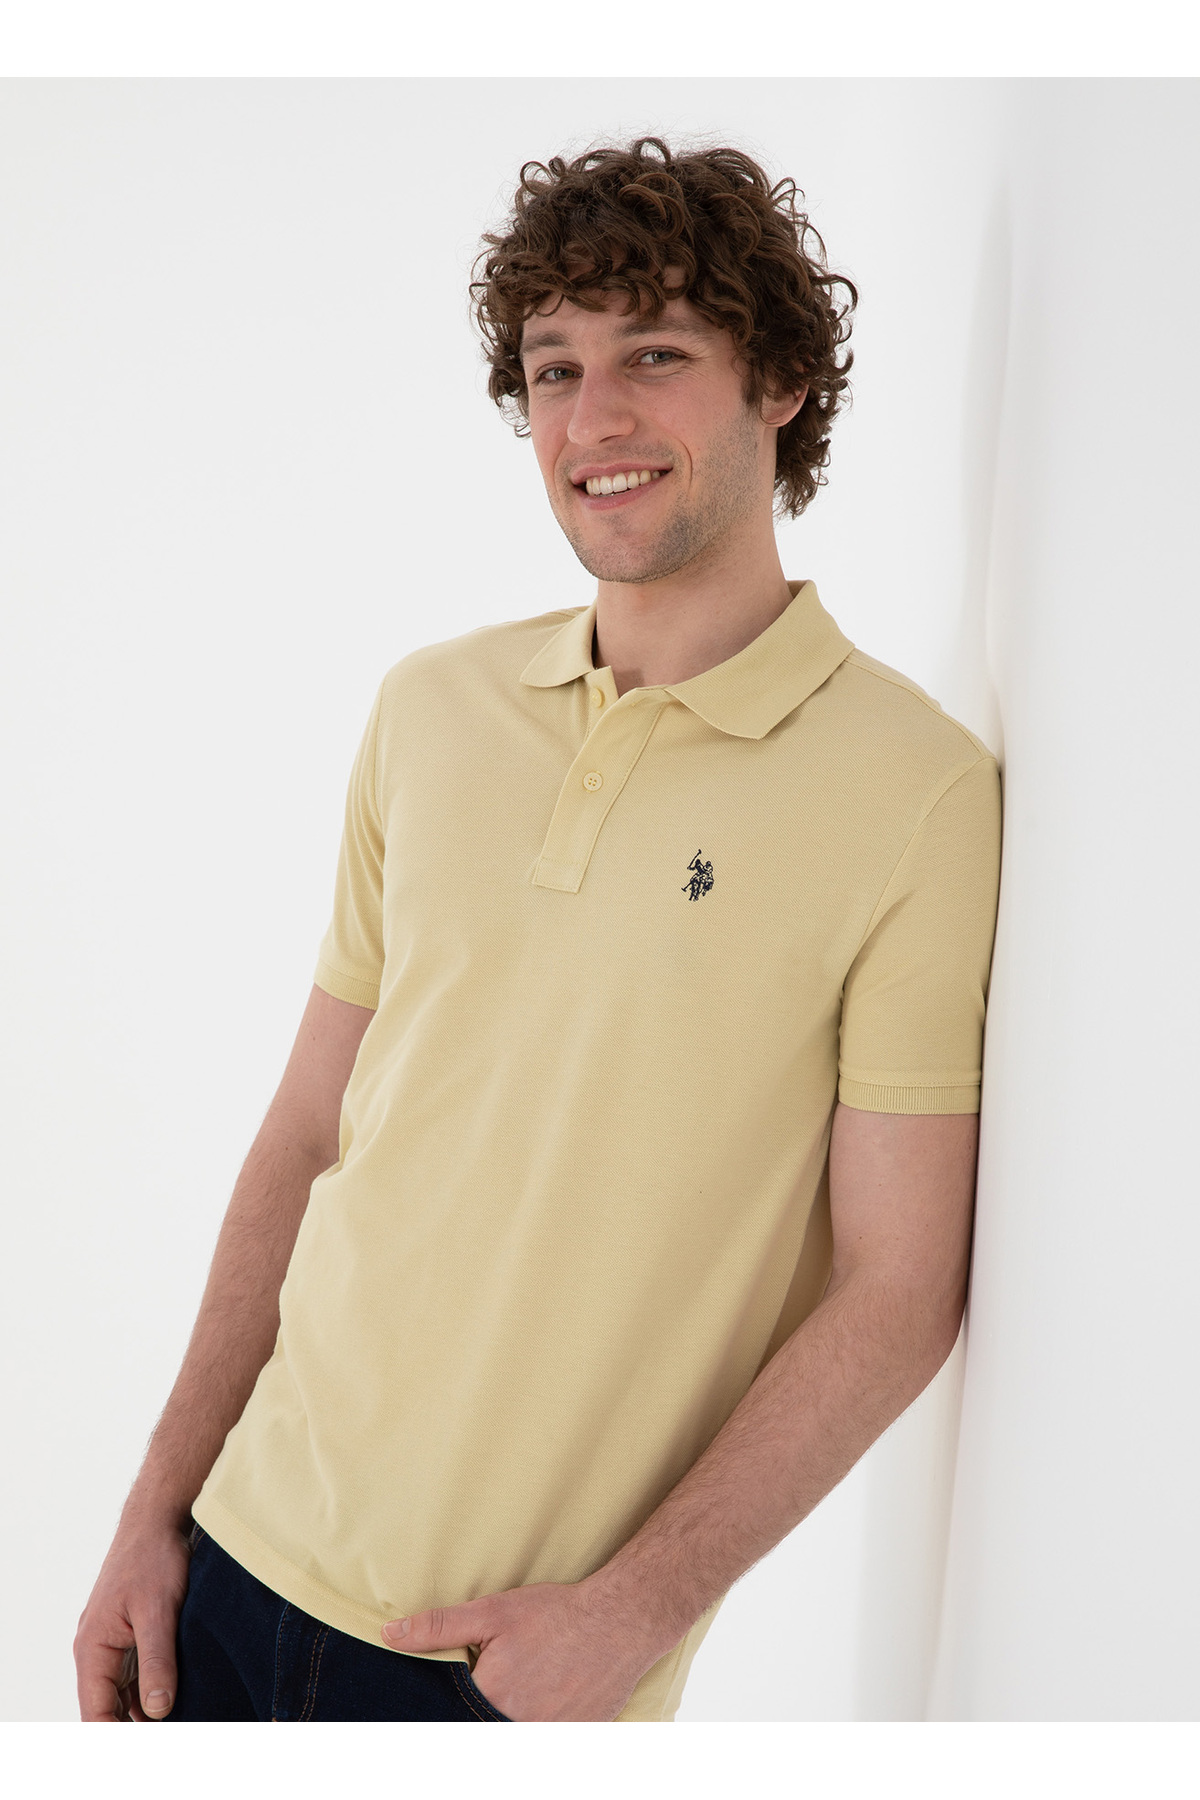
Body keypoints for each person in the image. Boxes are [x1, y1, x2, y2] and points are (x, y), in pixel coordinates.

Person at [74, 137, 1002, 1724]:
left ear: (781, 383)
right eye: (556, 367)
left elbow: (899, 1284)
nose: (593, 420)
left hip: (516, 1675)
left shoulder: (914, 792)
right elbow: (310, 1133)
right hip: (228, 1574)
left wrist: (633, 1614)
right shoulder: (431, 709)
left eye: (657, 356)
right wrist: (154, 1509)